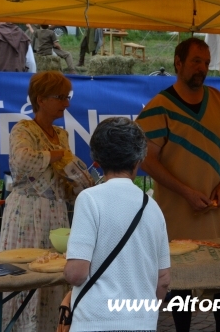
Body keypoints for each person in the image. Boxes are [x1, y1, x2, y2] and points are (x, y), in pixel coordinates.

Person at [136, 37, 220, 332]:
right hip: (177, 214)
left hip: (215, 213)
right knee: (179, 284)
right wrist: (185, 192)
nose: (202, 68)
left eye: (207, 63)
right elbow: (147, 160)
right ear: (178, 62)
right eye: (196, 61)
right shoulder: (160, 107)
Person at [65, 117, 171, 331]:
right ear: (138, 161)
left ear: (97, 160)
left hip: (94, 321)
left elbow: (77, 273)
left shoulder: (89, 199)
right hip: (142, 322)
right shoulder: (153, 207)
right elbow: (164, 280)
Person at [0, 71, 76, 331]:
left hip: (56, 215)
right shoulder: (23, 129)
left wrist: (78, 180)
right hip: (27, 214)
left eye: (68, 97)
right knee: (27, 277)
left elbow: (64, 173)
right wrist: (57, 156)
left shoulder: (61, 134)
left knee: (54, 275)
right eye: (61, 97)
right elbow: (21, 161)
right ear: (41, 99)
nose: (66, 103)